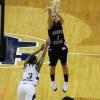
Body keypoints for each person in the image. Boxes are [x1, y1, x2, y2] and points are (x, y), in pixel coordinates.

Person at [47, 7, 69, 92]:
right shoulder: (50, 26)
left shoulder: (60, 23)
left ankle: (66, 83)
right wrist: (50, 11)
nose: (53, 17)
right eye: (52, 16)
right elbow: (49, 19)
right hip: (53, 49)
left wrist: (56, 12)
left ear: (57, 17)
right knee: (53, 66)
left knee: (64, 66)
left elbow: (62, 19)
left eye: (54, 16)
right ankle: (52, 82)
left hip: (62, 48)